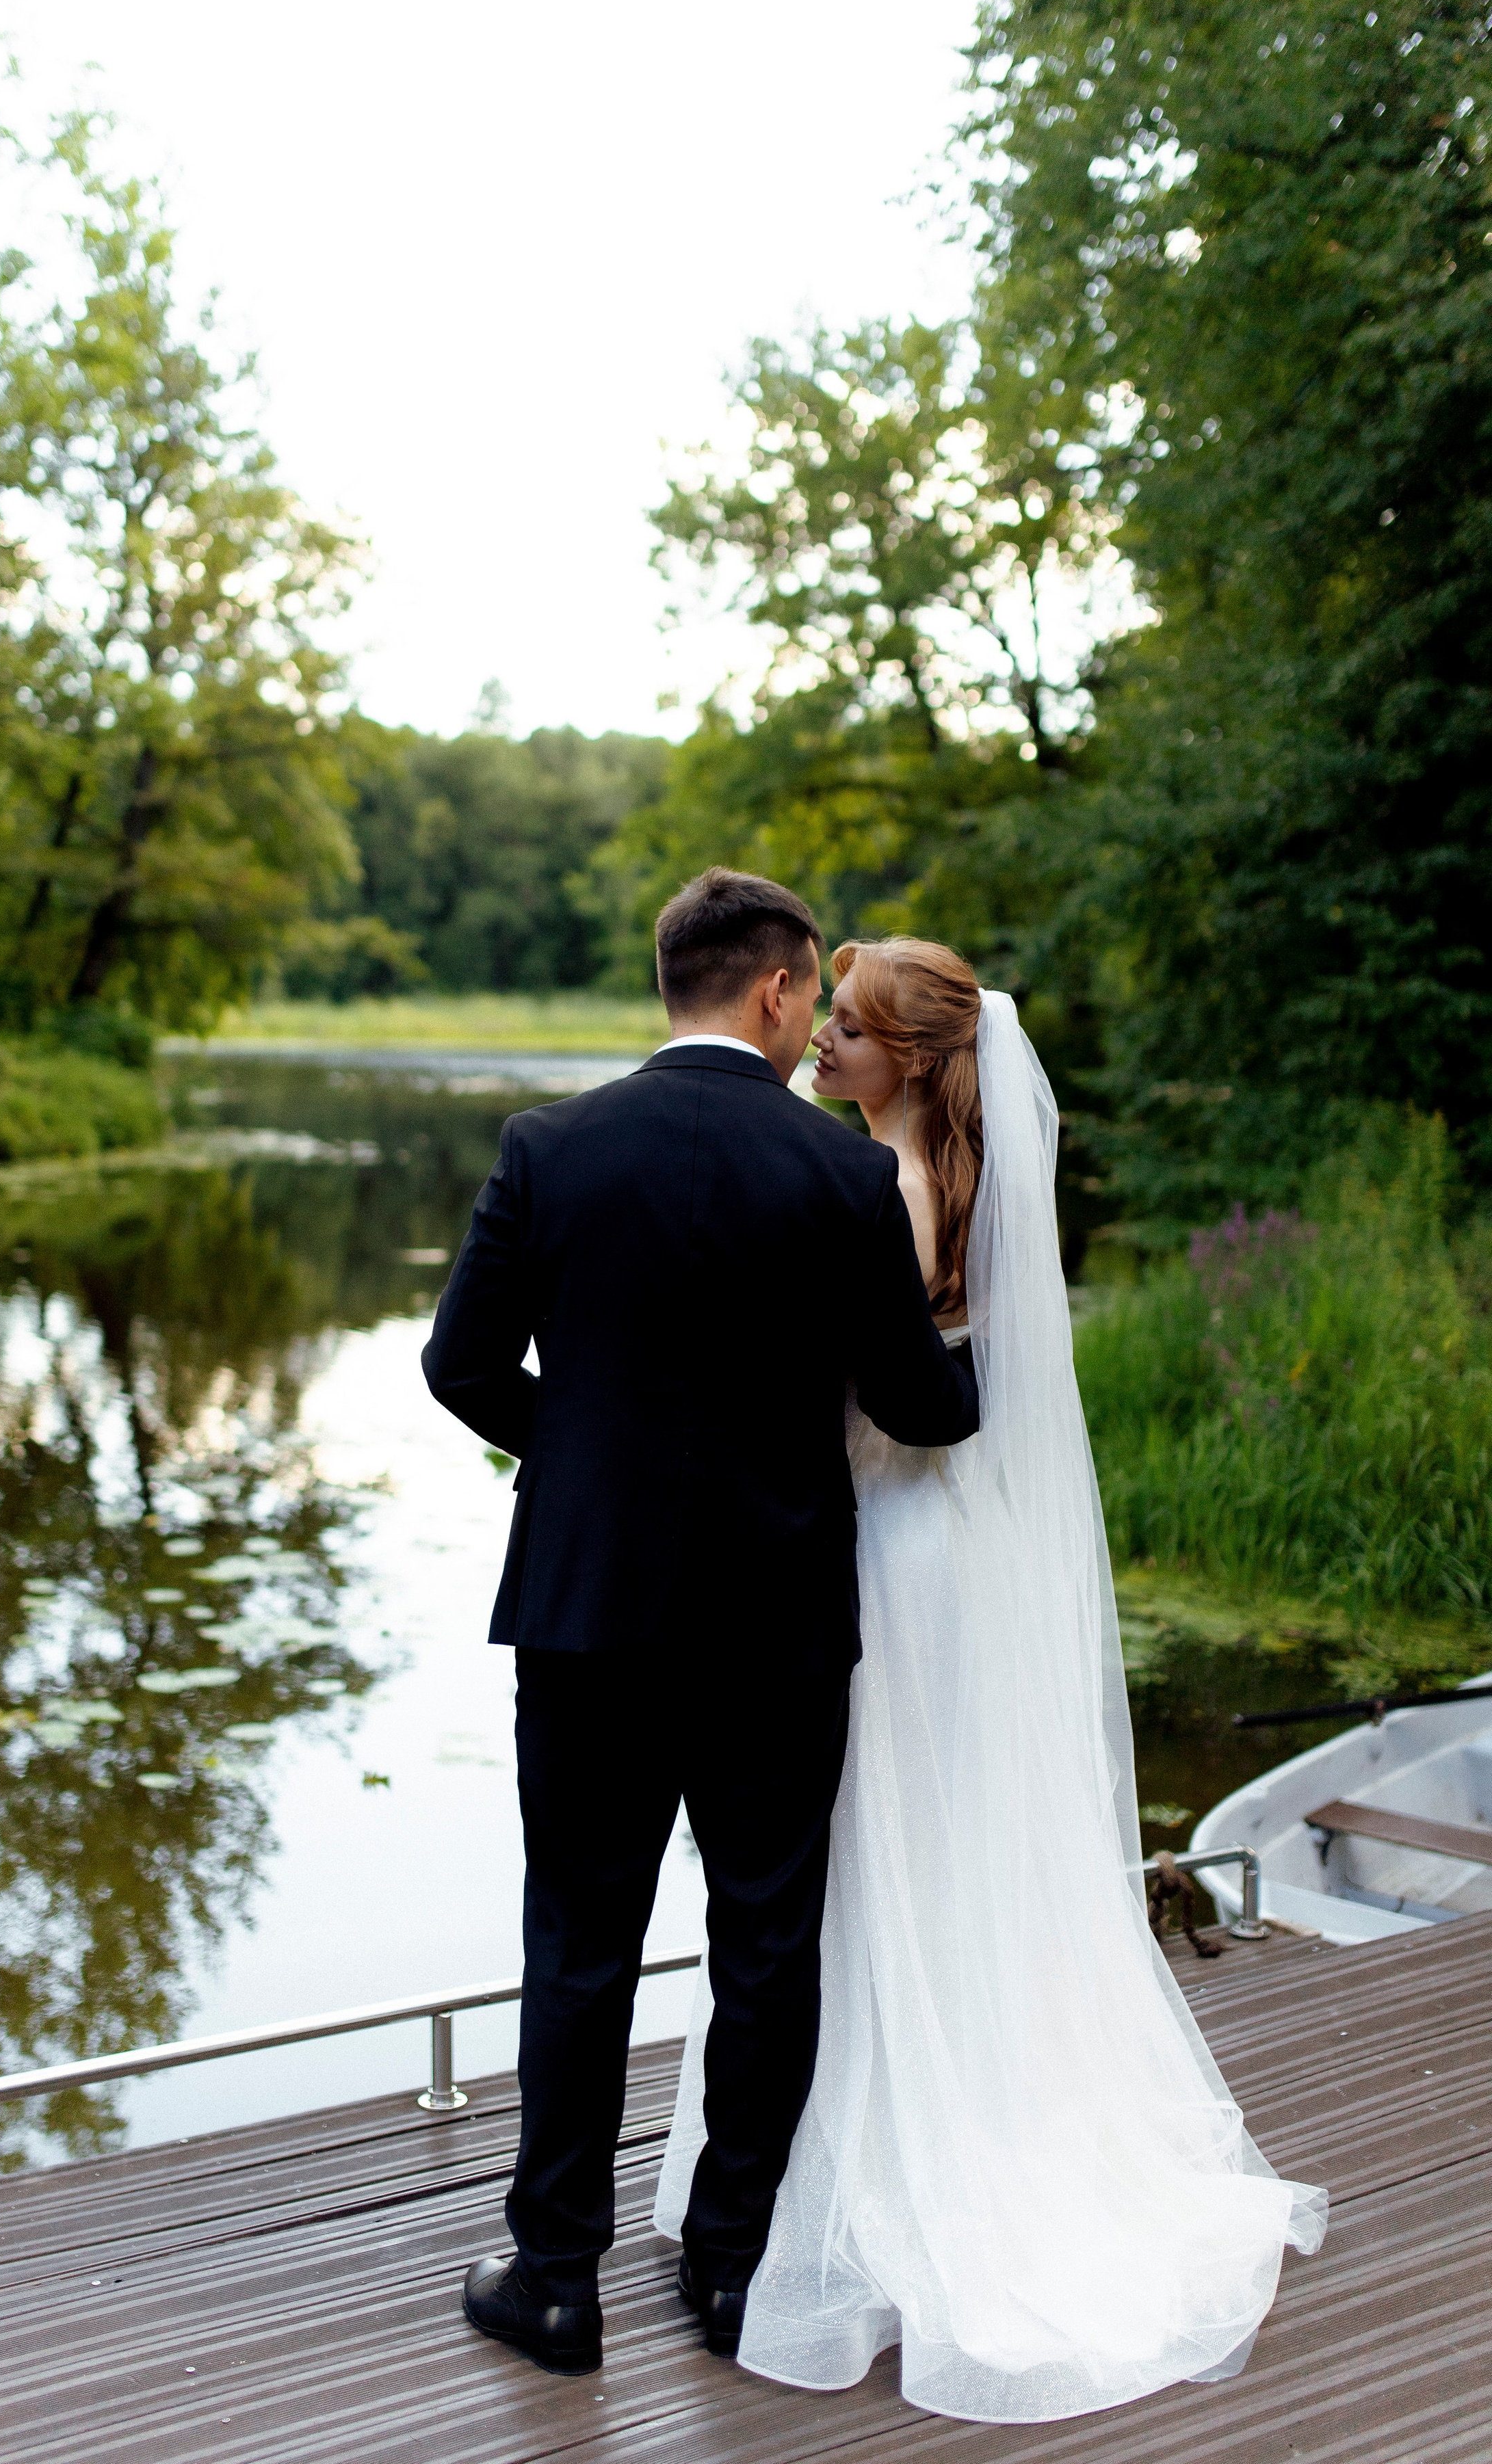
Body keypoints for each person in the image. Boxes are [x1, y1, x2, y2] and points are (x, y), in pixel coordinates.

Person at [655, 936, 1328, 2420]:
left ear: (908, 1056)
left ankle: (877, 2174)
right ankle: (915, 2131)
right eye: (821, 1018)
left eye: (847, 1028)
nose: (821, 1042)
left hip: (882, 1549)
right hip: (940, 1548)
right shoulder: (944, 1181)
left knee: (859, 1859)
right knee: (933, 1856)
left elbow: (866, 1405)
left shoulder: (875, 1191)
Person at [421, 871, 980, 2376]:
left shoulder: (546, 1147)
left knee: (579, 1942)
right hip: (776, 1620)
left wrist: (585, 1453)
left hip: (587, 1613)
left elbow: (456, 1365)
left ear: (670, 981)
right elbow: (922, 1406)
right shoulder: (837, 1175)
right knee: (765, 1945)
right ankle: (731, 2274)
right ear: (780, 992)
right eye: (807, 1003)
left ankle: (553, 2280)